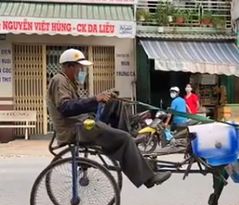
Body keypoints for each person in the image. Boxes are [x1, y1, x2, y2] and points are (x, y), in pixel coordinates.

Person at [46, 48, 171, 188]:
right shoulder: (59, 80)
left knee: (115, 103)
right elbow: (66, 108)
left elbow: (78, 106)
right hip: (75, 129)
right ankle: (148, 178)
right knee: (124, 139)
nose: (81, 71)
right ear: (70, 66)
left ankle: (129, 138)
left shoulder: (68, 82)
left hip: (82, 124)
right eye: (79, 67)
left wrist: (103, 98)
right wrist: (95, 99)